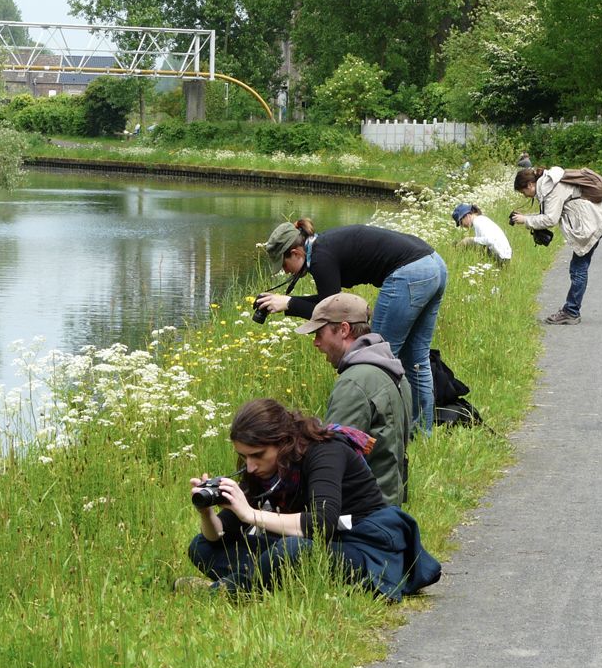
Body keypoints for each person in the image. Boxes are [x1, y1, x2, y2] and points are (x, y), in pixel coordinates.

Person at [183, 399, 441, 602]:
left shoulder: (326, 451)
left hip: (361, 547)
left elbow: (322, 524)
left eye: (256, 455)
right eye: (244, 456)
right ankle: (256, 582)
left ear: (283, 442)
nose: (250, 466)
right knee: (202, 547)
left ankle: (231, 589)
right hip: (314, 546)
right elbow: (220, 535)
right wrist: (207, 512)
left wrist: (250, 514)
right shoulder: (264, 467)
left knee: (291, 551)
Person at [255, 219, 447, 433]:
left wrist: (289, 303)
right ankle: (422, 432)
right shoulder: (323, 247)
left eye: (284, 264)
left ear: (296, 253)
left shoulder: (320, 259)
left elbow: (331, 313)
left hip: (410, 273)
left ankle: (371, 431)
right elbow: (328, 302)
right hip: (433, 264)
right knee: (417, 359)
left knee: (374, 358)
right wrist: (286, 302)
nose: (286, 272)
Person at [294, 293, 411, 506]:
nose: (316, 343)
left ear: (344, 330)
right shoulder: (393, 371)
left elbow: (330, 456)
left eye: (320, 333)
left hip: (363, 512)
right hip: (391, 503)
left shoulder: (355, 382)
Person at [512, 166, 602, 324]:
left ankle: (571, 311)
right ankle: (571, 310)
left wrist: (526, 220)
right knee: (578, 267)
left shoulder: (551, 187)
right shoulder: (549, 182)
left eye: (523, 192)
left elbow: (550, 219)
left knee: (578, 269)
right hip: (592, 219)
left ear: (529, 185)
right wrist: (526, 217)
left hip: (591, 223)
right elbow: (551, 214)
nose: (525, 196)